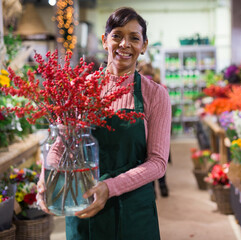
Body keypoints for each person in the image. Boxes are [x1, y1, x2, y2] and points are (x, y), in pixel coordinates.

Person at [37, 7, 171, 240]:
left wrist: (110, 187)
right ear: (105, 40)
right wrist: (47, 178)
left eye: (134, 38)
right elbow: (59, 142)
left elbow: (158, 162)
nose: (124, 44)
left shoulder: (155, 95)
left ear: (144, 45)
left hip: (133, 209)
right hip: (84, 202)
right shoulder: (79, 89)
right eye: (117, 35)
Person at [137, 61, 170, 198]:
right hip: (159, 126)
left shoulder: (139, 85)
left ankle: (153, 192)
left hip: (143, 129)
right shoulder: (159, 85)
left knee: (147, 160)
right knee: (159, 157)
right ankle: (164, 187)